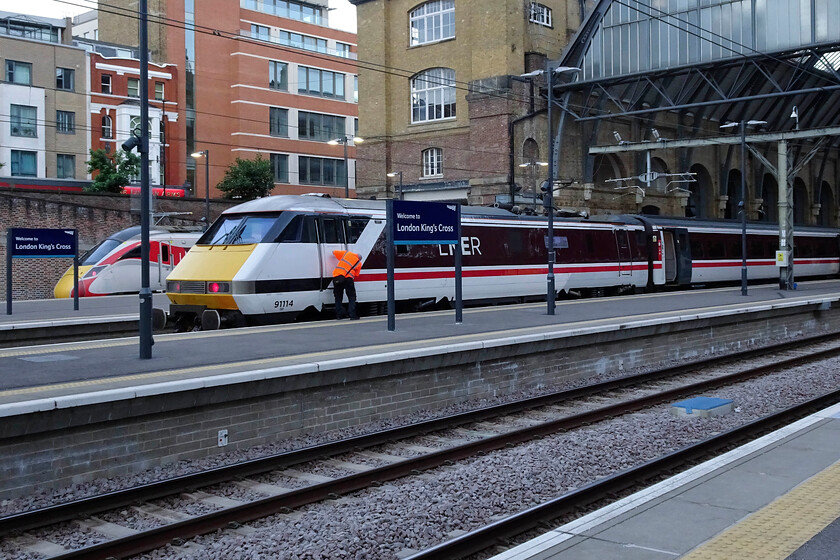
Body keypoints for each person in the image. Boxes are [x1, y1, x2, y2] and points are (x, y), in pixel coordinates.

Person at [332, 249, 362, 320]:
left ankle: (339, 315)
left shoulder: (347, 254)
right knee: (352, 297)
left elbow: (334, 252)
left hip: (337, 277)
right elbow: (357, 275)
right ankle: (352, 315)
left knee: (338, 297)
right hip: (348, 279)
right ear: (359, 259)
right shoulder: (359, 263)